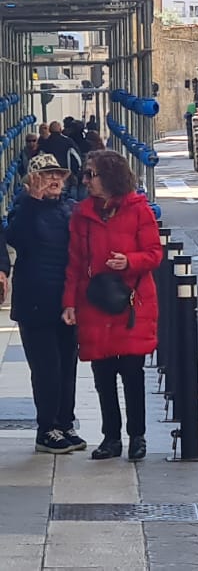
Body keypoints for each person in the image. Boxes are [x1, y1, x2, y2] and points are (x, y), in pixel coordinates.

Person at [63, 150, 161, 462]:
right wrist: (69, 303)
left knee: (132, 372)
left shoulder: (138, 210)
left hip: (131, 302)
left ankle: (137, 436)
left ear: (109, 176)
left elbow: (154, 253)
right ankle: (111, 437)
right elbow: (75, 263)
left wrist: (129, 261)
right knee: (103, 375)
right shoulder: (82, 214)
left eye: (91, 174)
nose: (85, 180)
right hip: (95, 302)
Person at [5, 155, 84, 454]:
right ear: (31, 180)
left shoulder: (70, 208)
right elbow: (17, 239)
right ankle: (46, 428)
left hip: (66, 302)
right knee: (46, 368)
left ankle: (64, 423)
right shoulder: (23, 209)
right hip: (35, 302)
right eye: (46, 175)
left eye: (58, 175)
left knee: (67, 366)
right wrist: (32, 201)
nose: (54, 180)